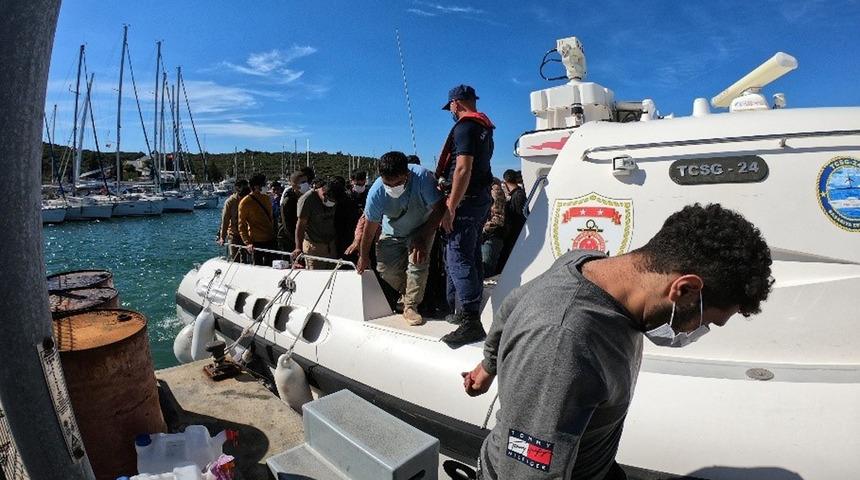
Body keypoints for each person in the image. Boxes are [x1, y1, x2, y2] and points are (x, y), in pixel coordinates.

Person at [462, 204, 774, 480]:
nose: (699, 331)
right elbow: (527, 473)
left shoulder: (590, 265)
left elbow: (515, 301)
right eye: (706, 321)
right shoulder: (562, 344)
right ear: (684, 289)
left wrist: (487, 366)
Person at [353, 151, 446, 326]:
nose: (392, 187)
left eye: (397, 183)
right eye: (388, 183)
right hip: (392, 231)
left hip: (421, 228)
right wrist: (363, 255)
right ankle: (406, 292)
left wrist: (423, 236)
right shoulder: (376, 192)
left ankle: (411, 306)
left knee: (418, 263)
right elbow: (370, 228)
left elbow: (440, 208)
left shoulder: (423, 178)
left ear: (407, 174)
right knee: (386, 270)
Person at [436, 84, 495, 346]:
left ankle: (470, 320)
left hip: (465, 202)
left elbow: (462, 169)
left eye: (449, 106)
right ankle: (467, 309)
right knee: (471, 255)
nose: (449, 110)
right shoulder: (484, 128)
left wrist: (450, 206)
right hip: (480, 200)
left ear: (456, 103)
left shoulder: (465, 127)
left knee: (457, 255)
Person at [293, 178, 339, 269]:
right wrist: (298, 247)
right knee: (316, 277)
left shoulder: (335, 195)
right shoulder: (307, 199)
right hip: (314, 246)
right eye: (328, 199)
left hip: (330, 245)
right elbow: (300, 225)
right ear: (323, 192)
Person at [238, 174, 277, 266]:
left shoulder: (266, 198)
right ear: (256, 186)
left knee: (271, 266)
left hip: (270, 239)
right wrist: (247, 243)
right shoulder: (245, 202)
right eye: (264, 184)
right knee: (257, 266)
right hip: (256, 242)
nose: (266, 186)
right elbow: (241, 225)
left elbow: (271, 218)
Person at [498, 169, 527, 272]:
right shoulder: (519, 194)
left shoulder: (518, 196)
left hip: (515, 236)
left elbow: (518, 218)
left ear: (505, 183)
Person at [217, 179, 250, 263]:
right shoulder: (230, 202)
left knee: (247, 261)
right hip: (234, 235)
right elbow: (225, 220)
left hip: (247, 235)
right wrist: (222, 237)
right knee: (235, 259)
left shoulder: (249, 200)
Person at [481, 178, 507, 277]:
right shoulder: (486, 189)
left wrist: (483, 231)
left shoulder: (495, 190)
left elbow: (497, 217)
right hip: (486, 235)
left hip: (490, 236)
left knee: (486, 271)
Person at [278, 171, 309, 253]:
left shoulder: (306, 197)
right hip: (289, 240)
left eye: (306, 181)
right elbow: (287, 225)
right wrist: (297, 242)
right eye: (302, 182)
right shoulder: (288, 201)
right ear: (294, 184)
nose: (306, 184)